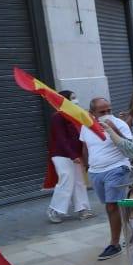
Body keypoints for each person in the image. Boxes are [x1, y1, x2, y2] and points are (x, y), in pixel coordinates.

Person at [82, 97, 133, 260]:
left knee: (113, 206)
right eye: (102, 112)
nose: (107, 114)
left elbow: (130, 147)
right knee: (112, 206)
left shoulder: (119, 124)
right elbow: (85, 146)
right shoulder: (86, 126)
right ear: (92, 113)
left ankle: (114, 243)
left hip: (117, 167)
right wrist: (87, 166)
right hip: (96, 171)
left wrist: (113, 130)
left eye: (109, 111)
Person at [46, 89, 92, 223]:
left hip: (75, 154)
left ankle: (83, 209)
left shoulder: (76, 115)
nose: (75, 100)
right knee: (66, 180)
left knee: (79, 181)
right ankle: (54, 210)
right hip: (61, 154)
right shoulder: (58, 116)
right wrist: (73, 155)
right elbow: (61, 138)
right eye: (72, 98)